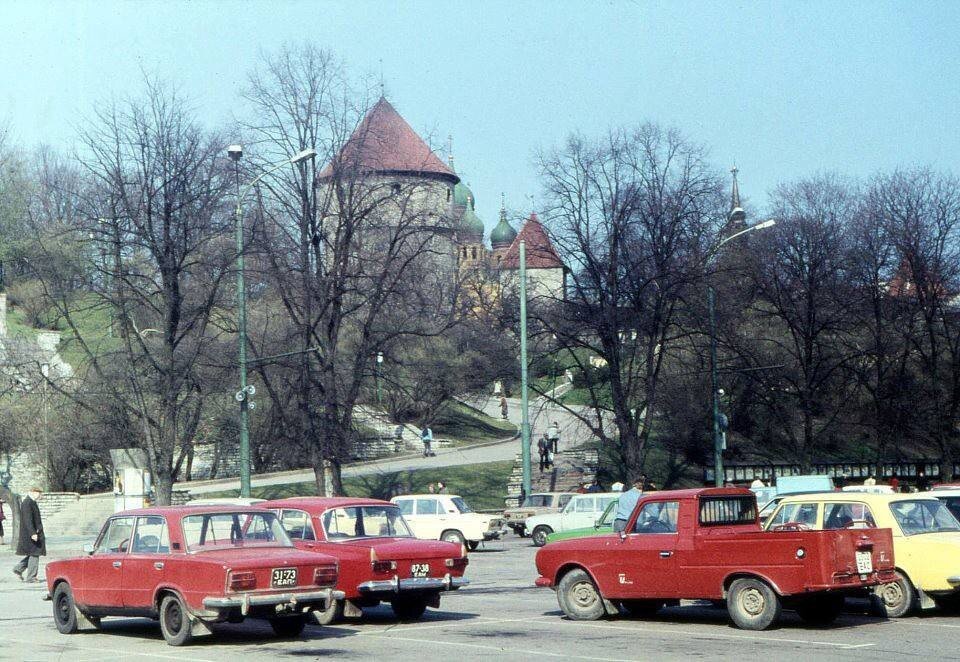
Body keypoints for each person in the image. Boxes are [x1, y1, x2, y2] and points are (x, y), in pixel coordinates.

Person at [13, 488, 45, 583]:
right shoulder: (27, 503)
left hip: (34, 533)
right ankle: (31, 577)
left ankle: (18, 568)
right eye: (39, 493)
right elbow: (28, 520)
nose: (40, 496)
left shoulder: (31, 502)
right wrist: (33, 533)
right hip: (30, 534)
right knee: (35, 553)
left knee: (33, 553)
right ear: (34, 492)